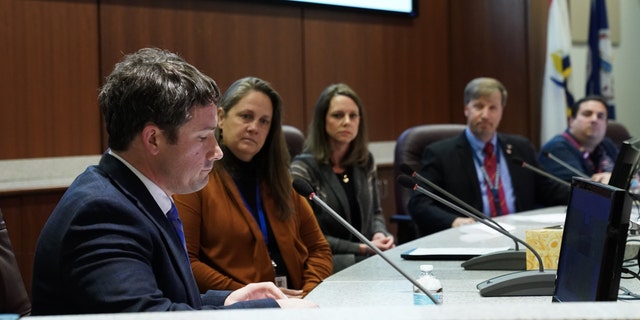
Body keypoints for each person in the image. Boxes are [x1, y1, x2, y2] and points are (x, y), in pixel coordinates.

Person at [31, 48, 316, 315]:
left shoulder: (136, 195)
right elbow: (149, 317)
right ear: (154, 139)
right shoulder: (102, 215)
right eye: (203, 137)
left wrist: (228, 299)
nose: (216, 152)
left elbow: (165, 297)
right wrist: (269, 311)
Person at [173, 77, 332, 297]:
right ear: (220, 117)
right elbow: (186, 262)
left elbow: (319, 249)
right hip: (235, 308)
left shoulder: (283, 180)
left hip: (296, 304)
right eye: (246, 116)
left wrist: (309, 292)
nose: (254, 127)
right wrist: (251, 296)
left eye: (264, 121)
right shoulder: (195, 181)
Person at [407, 77, 569, 236]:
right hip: (471, 238)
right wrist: (454, 221)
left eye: (493, 108)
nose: (485, 115)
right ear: (466, 109)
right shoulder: (441, 154)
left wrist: (585, 192)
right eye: (478, 106)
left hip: (519, 236)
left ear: (501, 111)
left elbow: (548, 189)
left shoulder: (520, 148)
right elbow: (420, 203)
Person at [290, 83, 394, 273]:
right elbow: (306, 235)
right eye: (338, 115)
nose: (347, 122)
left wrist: (380, 234)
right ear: (323, 120)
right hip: (328, 262)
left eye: (353, 116)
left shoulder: (364, 161)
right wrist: (361, 248)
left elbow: (376, 213)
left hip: (368, 257)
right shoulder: (302, 169)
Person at [538, 96, 618, 183]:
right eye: (587, 114)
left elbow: (629, 175)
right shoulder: (557, 148)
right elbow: (578, 191)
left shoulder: (606, 144)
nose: (594, 119)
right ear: (571, 121)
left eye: (600, 116)